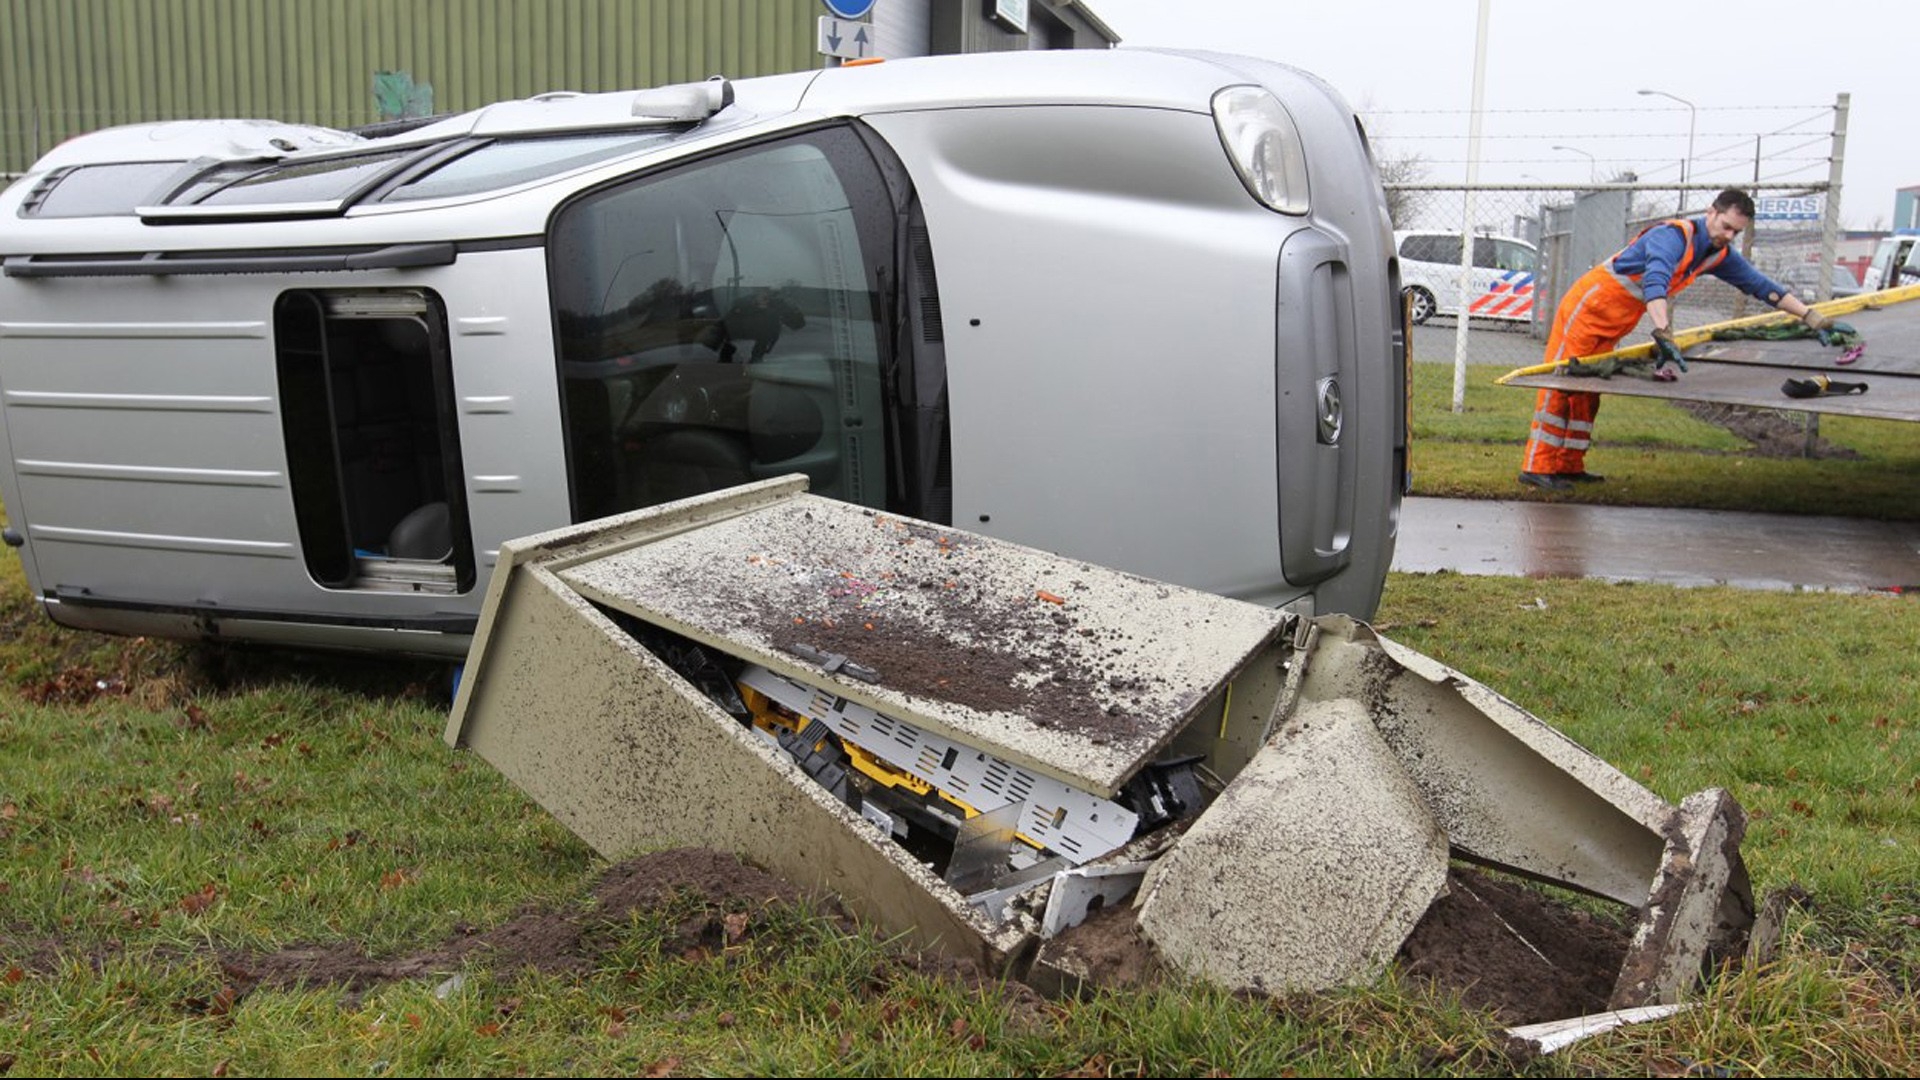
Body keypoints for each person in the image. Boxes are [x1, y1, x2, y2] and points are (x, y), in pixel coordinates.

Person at [1519, 188, 1848, 492]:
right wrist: (1663, 332)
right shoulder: (1672, 236)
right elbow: (1656, 281)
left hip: (1614, 320)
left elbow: (1760, 285)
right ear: (1711, 212)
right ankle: (1537, 466)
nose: (1728, 235)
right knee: (1561, 383)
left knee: (1587, 392)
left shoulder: (1717, 254)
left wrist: (1810, 316)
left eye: (1736, 231)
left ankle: (1569, 466)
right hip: (1588, 307)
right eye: (1725, 226)